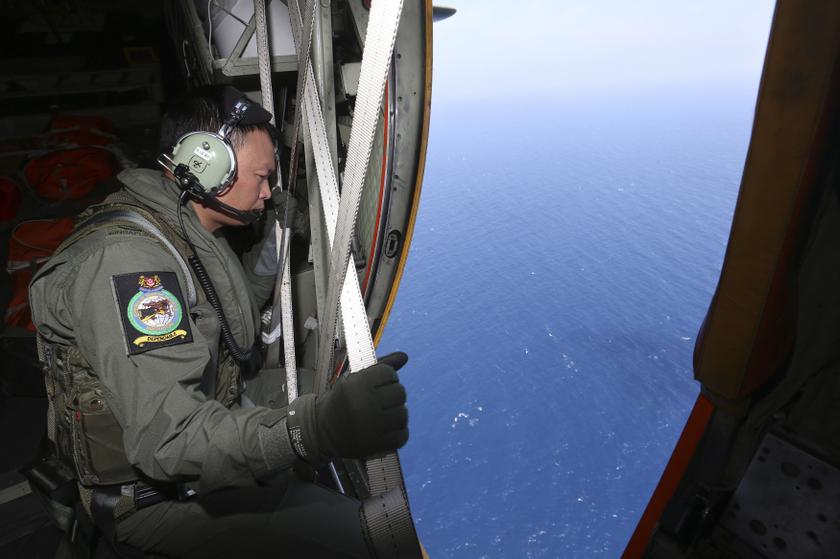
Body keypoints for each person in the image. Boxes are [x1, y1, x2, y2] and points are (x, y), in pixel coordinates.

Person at [28, 85, 410, 558]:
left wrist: (276, 240)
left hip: (212, 405)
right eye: (261, 177)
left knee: (324, 384)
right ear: (207, 165)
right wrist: (313, 430)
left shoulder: (184, 227)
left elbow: (229, 312)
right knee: (369, 539)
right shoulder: (131, 263)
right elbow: (171, 441)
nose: (268, 193)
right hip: (153, 498)